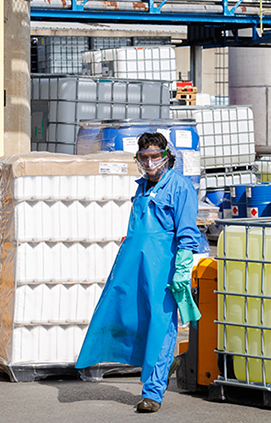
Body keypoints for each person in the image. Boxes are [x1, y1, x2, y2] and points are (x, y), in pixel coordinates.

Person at [75, 132, 203, 413]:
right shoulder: (142, 187)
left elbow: (187, 233)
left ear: (166, 157)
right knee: (126, 317)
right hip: (135, 266)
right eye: (143, 158)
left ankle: (153, 393)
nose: (149, 163)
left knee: (161, 325)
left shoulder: (179, 187)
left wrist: (182, 268)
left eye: (154, 156)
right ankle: (163, 362)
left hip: (163, 270)